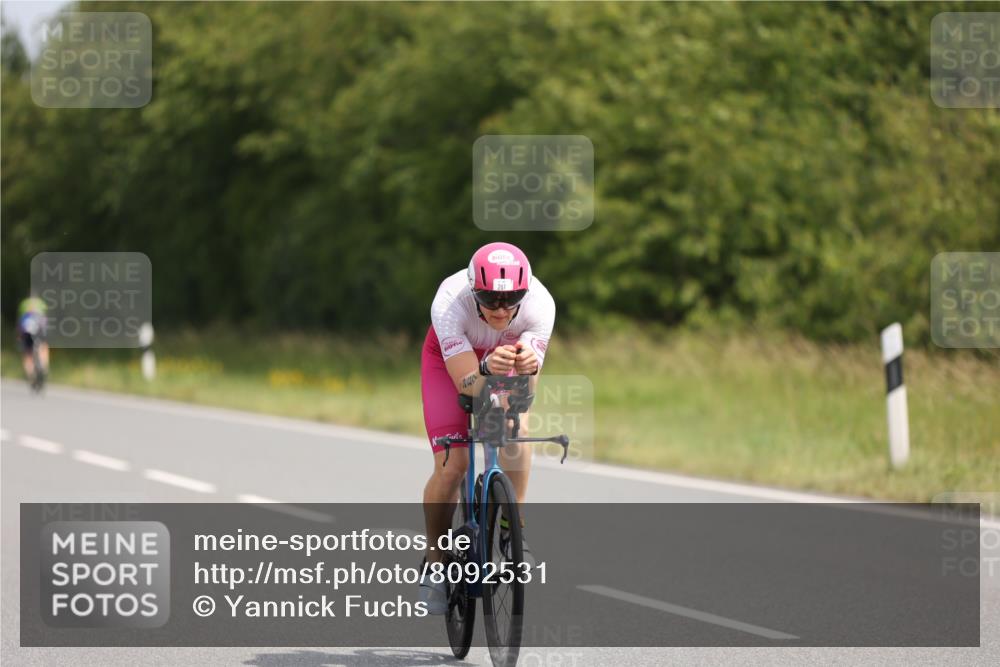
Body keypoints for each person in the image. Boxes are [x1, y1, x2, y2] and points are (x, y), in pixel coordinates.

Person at [418, 241, 555, 614]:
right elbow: (467, 387)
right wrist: (483, 371)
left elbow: (524, 397)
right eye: (490, 299)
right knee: (453, 465)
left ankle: (514, 525)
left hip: (505, 360)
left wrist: (526, 372)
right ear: (473, 290)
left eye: (511, 299)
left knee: (515, 430)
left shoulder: (541, 305)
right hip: (454, 365)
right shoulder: (449, 302)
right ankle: (435, 560)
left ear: (524, 293)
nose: (500, 308)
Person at [17, 293, 49, 387]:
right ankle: (44, 367)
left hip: (26, 331)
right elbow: (45, 320)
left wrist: (19, 336)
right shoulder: (42, 303)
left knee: (27, 355)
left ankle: (31, 376)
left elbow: (20, 322)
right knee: (43, 347)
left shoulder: (23, 304)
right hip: (39, 330)